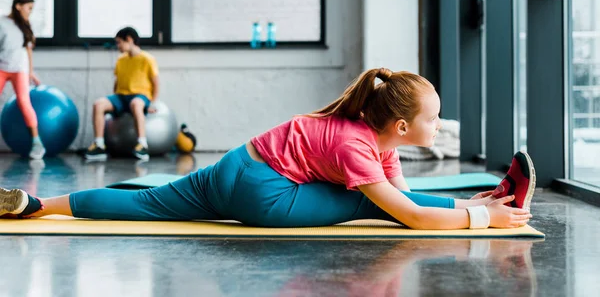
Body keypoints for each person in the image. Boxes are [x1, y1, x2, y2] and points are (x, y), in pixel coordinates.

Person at [0, 68, 534, 230]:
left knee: (147, 199)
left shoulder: (369, 133)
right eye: (433, 119)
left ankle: (37, 204)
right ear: (399, 124)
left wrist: (474, 203)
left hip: (234, 164)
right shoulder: (357, 147)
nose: (439, 125)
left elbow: (407, 192)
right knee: (367, 203)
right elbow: (410, 214)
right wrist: (480, 220)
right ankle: (500, 202)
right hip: (264, 197)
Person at [84, 27, 159, 161]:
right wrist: (114, 103)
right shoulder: (121, 60)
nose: (117, 46)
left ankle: (142, 145)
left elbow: (156, 84)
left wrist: (151, 103)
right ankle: (99, 145)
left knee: (136, 104)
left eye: (119, 42)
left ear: (129, 40)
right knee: (98, 104)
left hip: (140, 96)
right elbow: (117, 82)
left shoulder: (147, 59)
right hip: (121, 97)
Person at [0, 0, 45, 160]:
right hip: (2, 67)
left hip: (20, 69)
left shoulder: (25, 25)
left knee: (24, 102)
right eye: (29, 8)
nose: (30, 12)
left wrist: (31, 72)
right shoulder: (2, 22)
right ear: (18, 6)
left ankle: (37, 142)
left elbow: (28, 51)